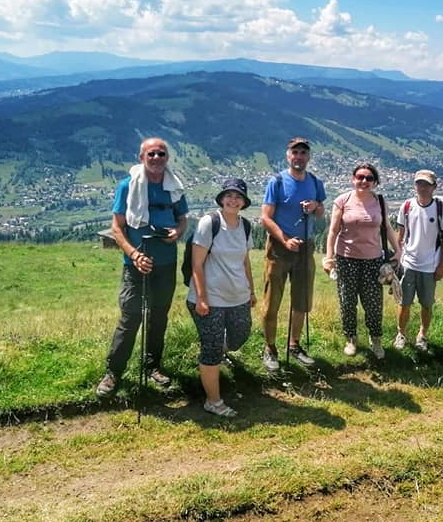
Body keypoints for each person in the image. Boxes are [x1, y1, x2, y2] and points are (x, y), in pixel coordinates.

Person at [96, 137, 189, 397]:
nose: (157, 158)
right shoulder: (127, 186)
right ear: (141, 158)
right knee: (131, 317)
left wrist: (177, 232)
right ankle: (113, 372)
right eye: (151, 154)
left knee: (158, 317)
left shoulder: (174, 187)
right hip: (135, 264)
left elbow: (182, 219)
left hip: (166, 262)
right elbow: (117, 228)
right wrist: (135, 255)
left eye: (161, 154)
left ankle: (152, 366)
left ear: (167, 158)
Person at [187, 178, 256, 417]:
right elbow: (197, 263)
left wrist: (251, 291)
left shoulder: (245, 225)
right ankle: (213, 401)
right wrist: (201, 298)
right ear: (221, 199)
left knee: (240, 335)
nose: (233, 200)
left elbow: (245, 261)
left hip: (238, 296)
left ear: (244, 202)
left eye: (238, 197)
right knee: (212, 348)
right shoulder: (210, 223)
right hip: (210, 299)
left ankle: (216, 353)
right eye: (229, 195)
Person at [259, 137, 327, 371]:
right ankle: (270, 348)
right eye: (295, 152)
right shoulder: (277, 182)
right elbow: (265, 218)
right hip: (279, 248)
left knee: (302, 301)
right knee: (272, 302)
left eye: (303, 153)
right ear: (288, 155)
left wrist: (315, 207)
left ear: (308, 157)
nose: (299, 156)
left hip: (305, 247)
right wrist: (285, 240)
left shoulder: (315, 182)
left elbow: (321, 213)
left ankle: (294, 345)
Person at [322, 162, 396, 358]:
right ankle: (351, 339)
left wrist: (398, 251)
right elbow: (333, 231)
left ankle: (375, 339)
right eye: (360, 177)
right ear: (353, 179)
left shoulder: (380, 202)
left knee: (373, 304)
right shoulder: (342, 200)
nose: (364, 181)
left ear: (375, 182)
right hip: (346, 259)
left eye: (369, 178)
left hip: (373, 260)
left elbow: (387, 228)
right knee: (347, 301)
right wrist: (329, 257)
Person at [394, 169, 443, 352]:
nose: (422, 187)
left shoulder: (441, 208)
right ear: (415, 185)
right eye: (419, 183)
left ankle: (422, 335)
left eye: (426, 184)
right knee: (404, 303)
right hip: (408, 264)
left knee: (426, 304)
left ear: (434, 187)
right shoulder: (407, 206)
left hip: (430, 265)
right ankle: (401, 334)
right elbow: (400, 236)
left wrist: (441, 265)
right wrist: (397, 261)